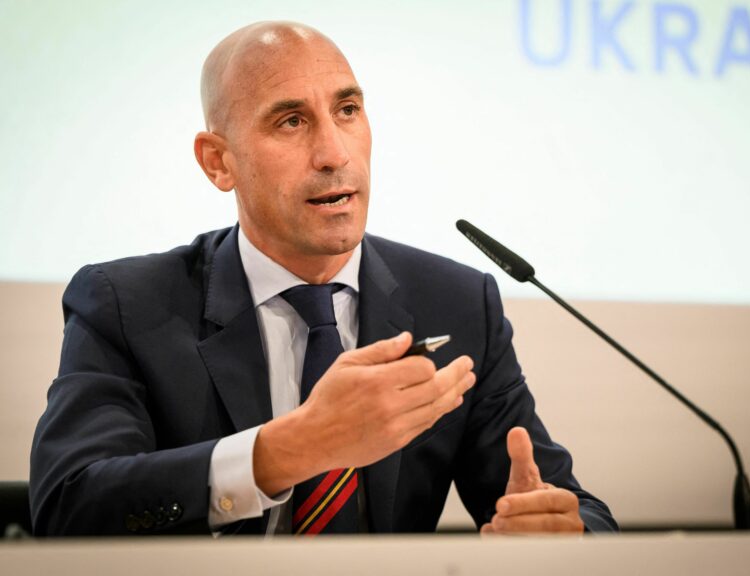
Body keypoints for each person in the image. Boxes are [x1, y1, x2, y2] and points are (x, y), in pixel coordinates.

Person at [29, 21, 617, 536]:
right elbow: (69, 506)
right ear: (218, 162)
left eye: (348, 111)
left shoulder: (458, 303)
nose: (334, 152)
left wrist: (561, 531)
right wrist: (291, 449)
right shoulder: (127, 305)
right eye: (291, 121)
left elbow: (569, 506)